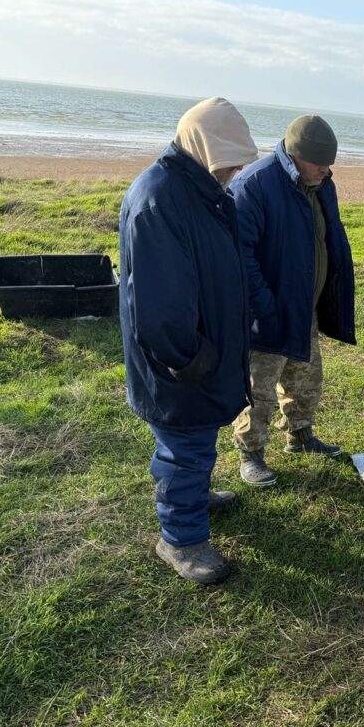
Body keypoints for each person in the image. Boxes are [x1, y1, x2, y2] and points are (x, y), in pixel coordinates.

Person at [119, 97, 258, 584]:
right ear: (201, 146)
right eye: (228, 158)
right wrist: (191, 359)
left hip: (203, 351)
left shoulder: (201, 188)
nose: (236, 168)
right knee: (183, 448)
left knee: (196, 442)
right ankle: (180, 539)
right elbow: (158, 306)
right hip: (179, 364)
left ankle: (193, 497)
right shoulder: (160, 198)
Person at [229, 115, 356, 486]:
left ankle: (300, 436)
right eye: (319, 163)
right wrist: (265, 306)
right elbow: (240, 255)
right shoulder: (255, 184)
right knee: (259, 389)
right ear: (295, 155)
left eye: (330, 163)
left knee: (307, 378)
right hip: (267, 311)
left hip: (305, 307)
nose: (326, 170)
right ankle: (250, 453)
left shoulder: (320, 182)